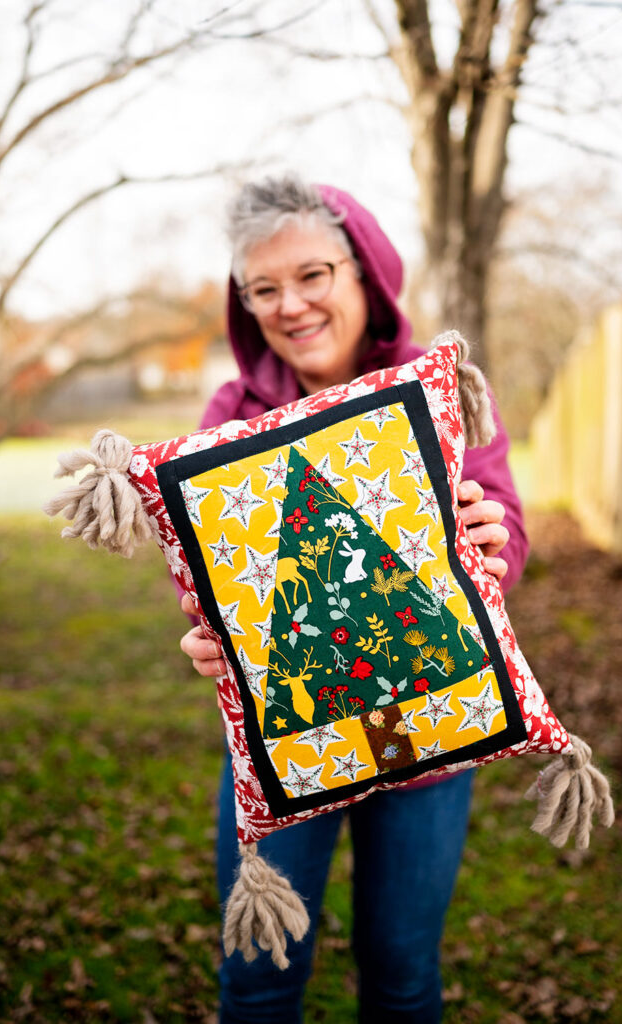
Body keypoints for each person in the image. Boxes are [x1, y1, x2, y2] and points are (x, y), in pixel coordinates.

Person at [179, 175, 528, 1024]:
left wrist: (490, 541)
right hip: (289, 736)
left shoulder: (435, 391)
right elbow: (202, 576)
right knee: (259, 977)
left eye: (311, 275)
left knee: (402, 973)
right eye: (262, 288)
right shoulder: (230, 415)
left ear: (362, 270)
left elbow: (506, 528)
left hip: (433, 732)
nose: (289, 305)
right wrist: (206, 631)